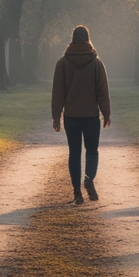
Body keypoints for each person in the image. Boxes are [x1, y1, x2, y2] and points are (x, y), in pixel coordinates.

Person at [51, 25, 111, 205]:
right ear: (87, 39)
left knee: (74, 153)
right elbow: (103, 92)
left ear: (72, 39)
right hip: (91, 117)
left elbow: (58, 93)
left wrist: (56, 116)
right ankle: (89, 178)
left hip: (72, 117)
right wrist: (106, 113)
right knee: (92, 151)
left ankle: (77, 192)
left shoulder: (62, 63)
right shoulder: (96, 63)